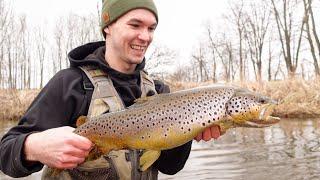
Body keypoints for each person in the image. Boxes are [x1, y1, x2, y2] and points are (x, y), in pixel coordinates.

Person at [0, 0, 223, 179]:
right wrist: (34, 147)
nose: (145, 36)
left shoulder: (159, 91)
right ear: (107, 26)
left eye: (151, 28)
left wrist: (189, 131)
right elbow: (6, 152)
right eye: (135, 25)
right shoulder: (70, 84)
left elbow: (170, 167)